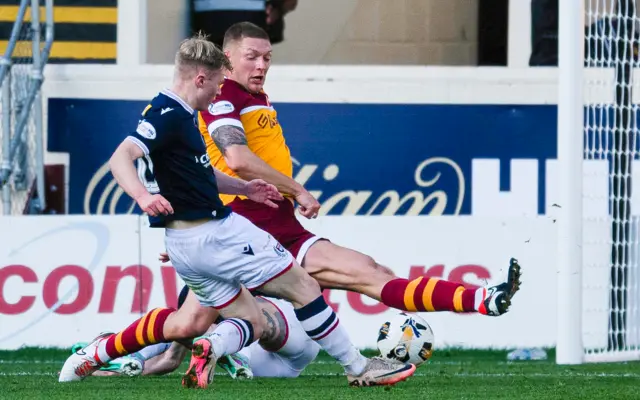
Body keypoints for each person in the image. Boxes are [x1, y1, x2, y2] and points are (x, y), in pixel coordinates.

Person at [58, 33, 415, 389]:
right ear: (200, 78)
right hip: (217, 233)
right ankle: (359, 366)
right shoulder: (169, 115)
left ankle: (100, 352)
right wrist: (141, 196)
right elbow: (121, 156)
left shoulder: (174, 111)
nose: (219, 92)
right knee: (304, 285)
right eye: (216, 84)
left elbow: (200, 172)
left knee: (208, 324)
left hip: (183, 244)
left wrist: (244, 188)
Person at [199, 22, 522, 318]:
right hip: (248, 226)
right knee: (188, 326)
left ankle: (481, 298)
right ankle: (159, 352)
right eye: (251, 57)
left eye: (267, 58)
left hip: (277, 224)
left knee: (371, 271)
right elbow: (237, 159)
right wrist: (298, 190)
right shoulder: (223, 93)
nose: (261, 65)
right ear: (226, 58)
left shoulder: (251, 95)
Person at [71, 285, 320, 379]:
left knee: (178, 330)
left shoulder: (190, 317)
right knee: (181, 330)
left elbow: (169, 362)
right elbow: (167, 362)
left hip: (269, 343)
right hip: (291, 341)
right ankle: (221, 348)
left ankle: (125, 355)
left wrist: (122, 369)